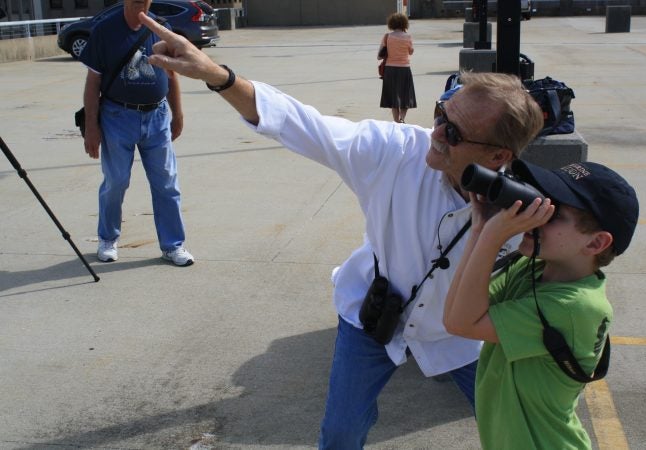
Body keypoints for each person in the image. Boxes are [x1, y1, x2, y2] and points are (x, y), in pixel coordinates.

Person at [136, 12, 543, 448]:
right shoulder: (394, 152)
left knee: (511, 428)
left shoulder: (525, 210)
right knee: (341, 433)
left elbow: (573, 269)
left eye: (455, 130)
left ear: (498, 157)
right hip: (370, 316)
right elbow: (302, 123)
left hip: (457, 336)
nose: (436, 131)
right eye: (442, 112)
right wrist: (217, 76)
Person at [443, 159, 639, 449]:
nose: (534, 215)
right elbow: (455, 311)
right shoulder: (532, 270)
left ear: (596, 243)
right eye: (539, 200)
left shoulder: (574, 306)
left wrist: (491, 236)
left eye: (553, 213)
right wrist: (480, 228)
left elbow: (460, 322)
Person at [79, 0, 194, 266]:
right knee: (116, 181)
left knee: (166, 182)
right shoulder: (104, 30)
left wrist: (178, 115)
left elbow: (172, 75)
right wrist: (92, 127)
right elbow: (93, 81)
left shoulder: (161, 28)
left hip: (157, 117)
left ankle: (172, 245)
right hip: (117, 118)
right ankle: (107, 238)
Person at [378, 12, 416, 123]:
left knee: (394, 98)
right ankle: (402, 118)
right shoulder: (408, 37)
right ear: (405, 23)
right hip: (404, 69)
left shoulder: (387, 37)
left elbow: (379, 56)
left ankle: (396, 122)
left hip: (390, 70)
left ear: (391, 24)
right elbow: (411, 51)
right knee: (406, 96)